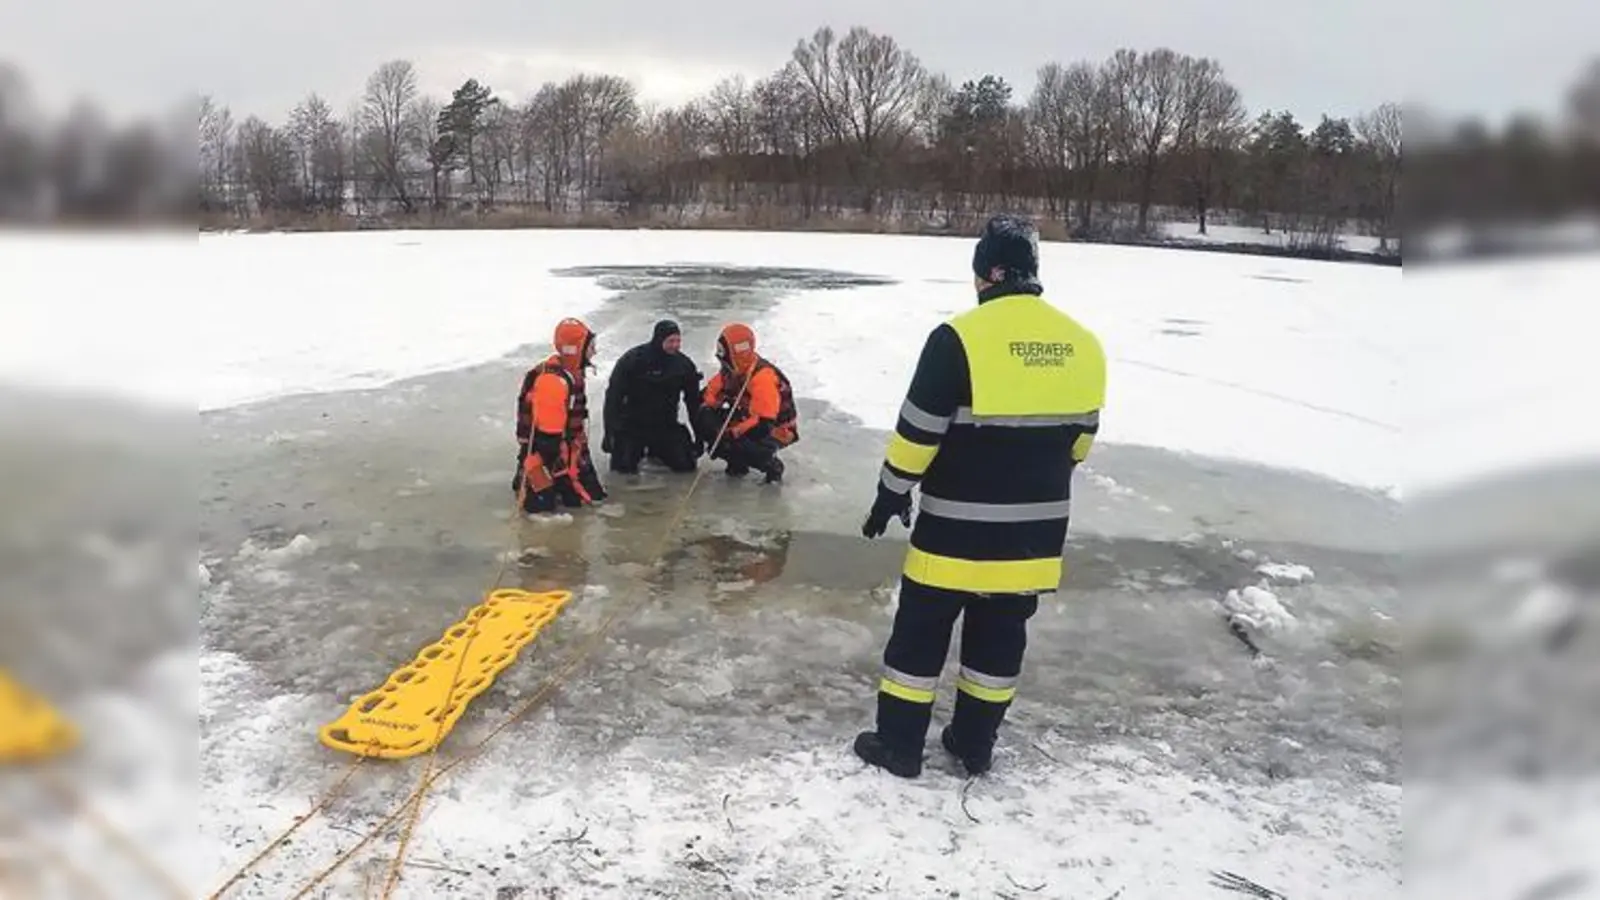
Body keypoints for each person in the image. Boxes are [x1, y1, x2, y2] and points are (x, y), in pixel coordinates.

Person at [854, 214, 1107, 779]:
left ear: (986, 275)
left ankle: (898, 746)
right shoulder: (1083, 344)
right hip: (1032, 540)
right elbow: (1081, 444)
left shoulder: (958, 340)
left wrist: (889, 494)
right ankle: (974, 745)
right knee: (999, 642)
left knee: (919, 639)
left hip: (953, 534)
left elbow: (918, 435)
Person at [513, 317, 608, 514]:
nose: (595, 351)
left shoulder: (571, 373)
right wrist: (566, 476)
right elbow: (549, 440)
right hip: (547, 452)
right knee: (546, 508)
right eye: (591, 346)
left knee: (594, 495)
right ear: (576, 349)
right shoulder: (553, 382)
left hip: (568, 446)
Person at [694, 323, 798, 484]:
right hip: (746, 418)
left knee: (728, 441)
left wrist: (731, 433)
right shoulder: (732, 370)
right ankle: (737, 464)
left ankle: (771, 465)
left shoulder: (763, 377)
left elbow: (763, 423)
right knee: (705, 417)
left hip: (775, 429)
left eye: (724, 353)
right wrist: (710, 408)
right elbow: (710, 393)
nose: (721, 359)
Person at [601, 319, 704, 475]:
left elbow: (693, 403)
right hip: (633, 425)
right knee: (622, 468)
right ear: (658, 339)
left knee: (686, 465)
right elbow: (613, 398)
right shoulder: (633, 360)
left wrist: (699, 436)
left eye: (678, 341)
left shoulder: (683, 365)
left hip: (665, 425)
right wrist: (609, 433)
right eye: (671, 341)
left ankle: (657, 451)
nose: (675, 345)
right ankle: (635, 450)